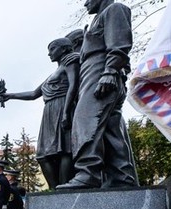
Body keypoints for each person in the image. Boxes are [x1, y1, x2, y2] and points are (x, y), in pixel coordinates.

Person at [58, 0, 139, 189]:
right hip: (92, 72)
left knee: (85, 120)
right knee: (111, 129)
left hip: (100, 70)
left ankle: (88, 172)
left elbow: (119, 44)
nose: (85, 3)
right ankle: (122, 177)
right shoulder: (95, 21)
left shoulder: (114, 9)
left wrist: (110, 71)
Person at [0, 38, 79, 189]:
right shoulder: (54, 72)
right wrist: (10, 96)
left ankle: (64, 189)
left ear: (64, 49)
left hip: (62, 106)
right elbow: (34, 93)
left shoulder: (71, 61)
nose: (49, 53)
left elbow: (73, 86)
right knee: (43, 155)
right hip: (49, 111)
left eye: (53, 48)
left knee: (64, 150)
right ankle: (55, 189)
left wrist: (67, 111)